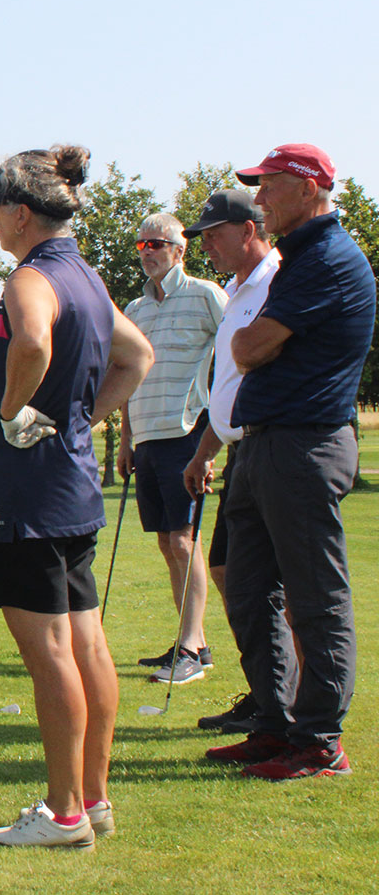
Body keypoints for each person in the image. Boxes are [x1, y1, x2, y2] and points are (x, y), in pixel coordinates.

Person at [0, 145, 153, 848]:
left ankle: (65, 812)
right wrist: (81, 421)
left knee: (47, 652)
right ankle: (94, 799)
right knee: (84, 642)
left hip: (30, 493)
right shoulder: (88, 277)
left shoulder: (33, 279)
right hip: (69, 487)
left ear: (21, 213)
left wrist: (16, 411)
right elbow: (137, 357)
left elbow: (34, 345)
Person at [202, 144, 374, 781]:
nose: (261, 198)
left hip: (303, 444)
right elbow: (251, 348)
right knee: (247, 588)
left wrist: (258, 345)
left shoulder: (326, 259)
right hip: (267, 444)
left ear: (308, 190)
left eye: (270, 186)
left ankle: (320, 740)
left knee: (314, 596)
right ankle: (275, 725)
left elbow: (249, 347)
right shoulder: (300, 259)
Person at [178, 190, 279, 734]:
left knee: (273, 585)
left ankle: (285, 699)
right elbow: (229, 386)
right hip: (238, 447)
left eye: (213, 234)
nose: (206, 245)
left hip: (276, 447)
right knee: (227, 570)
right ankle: (268, 692)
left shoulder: (277, 281)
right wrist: (204, 452)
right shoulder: (237, 288)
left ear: (248, 229)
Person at [118, 213, 227, 685]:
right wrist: (125, 437)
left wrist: (214, 438)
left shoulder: (206, 295)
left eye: (157, 244)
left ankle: (190, 646)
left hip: (187, 433)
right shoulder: (135, 309)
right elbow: (125, 373)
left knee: (184, 541)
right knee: (167, 543)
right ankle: (193, 640)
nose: (148, 251)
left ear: (180, 250)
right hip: (146, 436)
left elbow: (235, 359)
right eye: (142, 244)